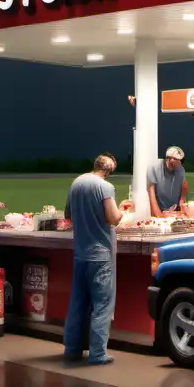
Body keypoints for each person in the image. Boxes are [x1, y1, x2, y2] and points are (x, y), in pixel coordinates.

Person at [63, 153, 123, 366]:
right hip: (100, 255)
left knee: (77, 302)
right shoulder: (105, 187)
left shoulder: (77, 183)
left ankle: (71, 349)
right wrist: (123, 209)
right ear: (108, 170)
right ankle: (98, 354)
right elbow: (112, 218)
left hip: (80, 253)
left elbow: (68, 215)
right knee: (103, 304)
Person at [147, 146, 189, 218]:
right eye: (178, 160)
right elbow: (151, 193)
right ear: (170, 159)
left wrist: (182, 203)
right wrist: (159, 215)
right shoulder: (154, 167)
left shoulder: (180, 169)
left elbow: (184, 186)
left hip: (174, 211)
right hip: (160, 210)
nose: (180, 163)